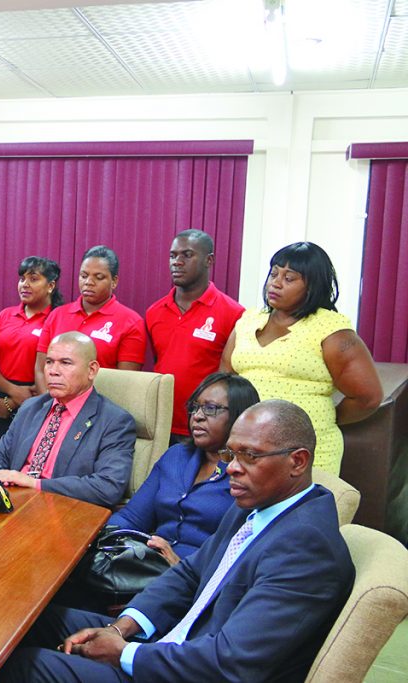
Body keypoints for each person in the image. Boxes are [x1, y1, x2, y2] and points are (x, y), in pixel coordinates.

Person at [0, 400, 355, 683]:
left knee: (25, 666)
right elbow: (188, 576)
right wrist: (122, 627)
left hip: (193, 671)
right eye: (231, 454)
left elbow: (230, 664)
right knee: (30, 620)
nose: (231, 467)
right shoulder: (258, 505)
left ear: (298, 462)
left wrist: (123, 654)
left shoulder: (308, 550)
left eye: (250, 456)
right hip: (171, 644)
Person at [221, 241, 382, 474]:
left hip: (303, 451)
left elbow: (368, 397)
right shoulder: (248, 321)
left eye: (289, 278)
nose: (275, 283)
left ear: (312, 286)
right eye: (274, 273)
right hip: (246, 446)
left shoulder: (331, 330)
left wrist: (321, 418)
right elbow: (225, 379)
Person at [106, 373, 259, 565]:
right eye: (195, 407)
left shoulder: (248, 473)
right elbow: (132, 518)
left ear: (239, 416)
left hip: (198, 579)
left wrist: (180, 566)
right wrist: (93, 538)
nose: (197, 416)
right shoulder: (176, 456)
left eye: (210, 409)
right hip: (148, 562)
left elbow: (239, 556)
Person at [0, 332, 136, 508]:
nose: (53, 371)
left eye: (65, 363)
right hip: (10, 501)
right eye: (49, 362)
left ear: (91, 370)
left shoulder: (113, 421)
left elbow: (107, 487)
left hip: (62, 511)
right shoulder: (32, 407)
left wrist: (34, 484)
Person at [145, 230, 244, 442]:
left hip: (205, 427)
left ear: (209, 260)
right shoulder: (154, 311)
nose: (177, 262)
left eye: (187, 255)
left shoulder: (234, 313)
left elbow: (231, 376)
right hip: (160, 422)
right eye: (173, 256)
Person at [36, 246, 145, 391]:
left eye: (98, 277)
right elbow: (40, 369)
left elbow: (124, 383)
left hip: (101, 408)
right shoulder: (57, 315)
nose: (88, 282)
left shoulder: (131, 321)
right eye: (84, 275)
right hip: (54, 407)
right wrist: (52, 408)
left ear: (114, 281)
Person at [0, 256, 63, 450]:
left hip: (43, 399)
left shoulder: (59, 318)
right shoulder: (5, 316)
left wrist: (20, 400)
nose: (24, 285)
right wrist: (14, 394)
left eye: (33, 279)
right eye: (22, 279)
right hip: (3, 402)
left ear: (51, 286)